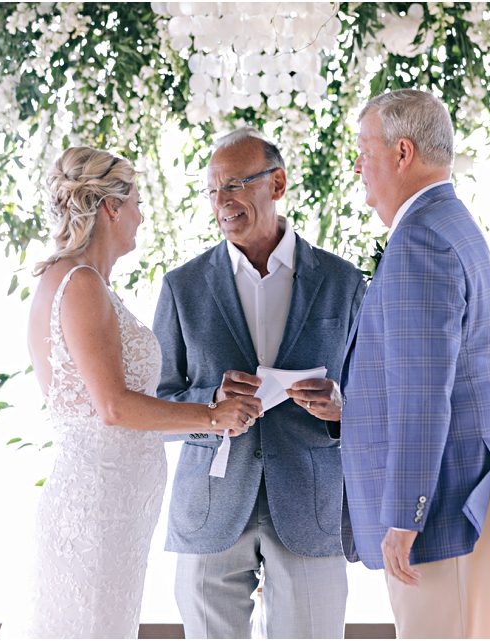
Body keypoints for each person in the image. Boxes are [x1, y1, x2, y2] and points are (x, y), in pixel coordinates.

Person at [20, 146, 261, 638]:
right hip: (98, 512)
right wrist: (213, 417)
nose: (142, 215)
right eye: (136, 202)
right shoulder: (81, 283)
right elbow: (111, 407)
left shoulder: (70, 280)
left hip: (108, 507)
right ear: (111, 206)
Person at [336, 89, 490, 638]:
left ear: (402, 153)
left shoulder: (419, 240)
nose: (357, 165)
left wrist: (406, 515)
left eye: (364, 149)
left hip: (446, 508)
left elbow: (423, 394)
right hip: (472, 491)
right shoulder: (449, 223)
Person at [153, 128, 365, 639]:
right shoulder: (183, 286)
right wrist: (211, 404)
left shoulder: (344, 282)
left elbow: (375, 399)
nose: (221, 202)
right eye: (212, 191)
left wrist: (341, 409)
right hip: (210, 506)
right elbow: (155, 406)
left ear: (278, 183)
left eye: (235, 185)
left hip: (311, 504)